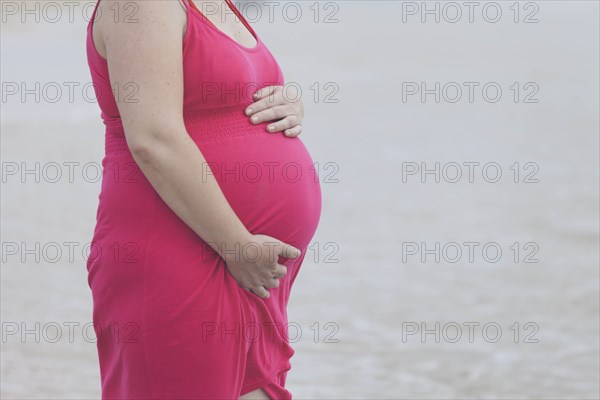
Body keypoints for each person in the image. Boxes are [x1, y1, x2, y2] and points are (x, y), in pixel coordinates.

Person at [85, 0, 322, 398]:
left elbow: (225, 97)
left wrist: (288, 104)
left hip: (244, 263)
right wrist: (236, 244)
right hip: (181, 250)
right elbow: (153, 139)